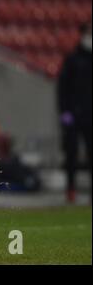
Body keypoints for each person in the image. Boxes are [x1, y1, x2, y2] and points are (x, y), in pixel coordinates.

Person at [57, 21, 92, 204]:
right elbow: (62, 88)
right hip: (74, 114)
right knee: (71, 154)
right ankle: (70, 189)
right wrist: (64, 112)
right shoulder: (72, 59)